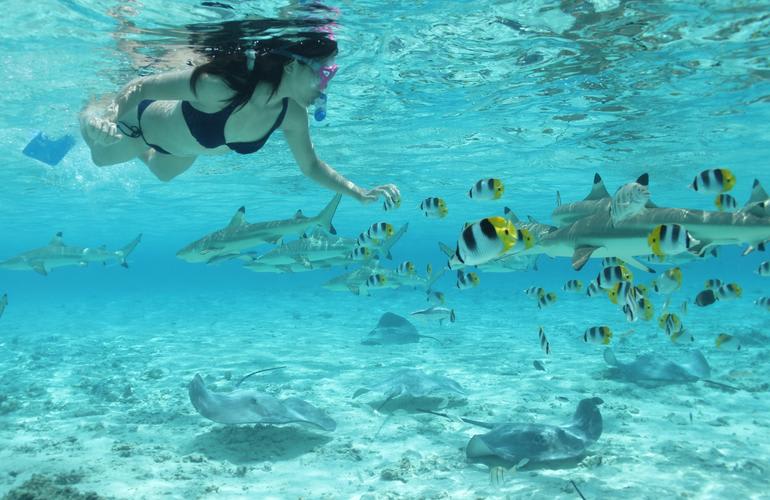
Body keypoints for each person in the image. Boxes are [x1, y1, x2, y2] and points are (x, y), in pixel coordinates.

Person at [79, 31, 399, 205]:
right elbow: (139, 86)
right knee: (100, 156)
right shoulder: (220, 86)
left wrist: (358, 193)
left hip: (181, 152)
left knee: (162, 174)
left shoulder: (292, 115)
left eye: (331, 74)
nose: (326, 85)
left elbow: (311, 166)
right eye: (323, 73)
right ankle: (86, 116)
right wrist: (108, 115)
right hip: (141, 126)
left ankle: (105, 130)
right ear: (293, 65)